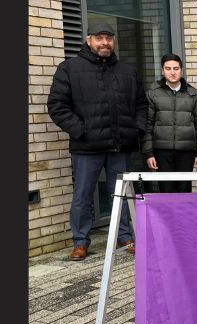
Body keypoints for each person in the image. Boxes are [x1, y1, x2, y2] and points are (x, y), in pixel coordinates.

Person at [47, 22, 146, 260]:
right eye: (100, 38)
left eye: (109, 38)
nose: (105, 43)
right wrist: (81, 131)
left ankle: (124, 236)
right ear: (88, 40)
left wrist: (136, 130)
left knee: (120, 194)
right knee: (82, 195)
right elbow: (57, 106)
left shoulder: (127, 71)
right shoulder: (69, 68)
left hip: (120, 145)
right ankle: (80, 241)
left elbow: (141, 105)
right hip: (86, 147)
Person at [142, 53, 197, 193]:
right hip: (161, 151)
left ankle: (183, 216)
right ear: (162, 71)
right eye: (168, 68)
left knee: (184, 190)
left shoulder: (193, 94)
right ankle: (167, 216)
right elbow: (147, 125)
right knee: (166, 190)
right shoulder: (153, 94)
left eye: (176, 68)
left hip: (186, 151)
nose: (172, 72)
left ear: (181, 71)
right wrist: (149, 153)